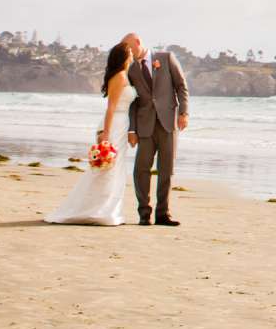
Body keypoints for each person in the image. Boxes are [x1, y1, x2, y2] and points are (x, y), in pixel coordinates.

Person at [43, 40, 132, 226]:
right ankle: (95, 210)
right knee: (106, 169)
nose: (132, 55)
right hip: (114, 125)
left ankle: (108, 210)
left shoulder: (124, 75)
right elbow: (111, 108)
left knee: (115, 169)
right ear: (124, 57)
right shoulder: (120, 77)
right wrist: (106, 134)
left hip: (122, 125)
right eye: (129, 52)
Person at [123, 31, 190, 226]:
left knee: (166, 169)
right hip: (145, 125)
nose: (128, 52)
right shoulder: (131, 69)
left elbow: (181, 86)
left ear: (137, 42)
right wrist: (132, 129)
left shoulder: (166, 58)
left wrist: (184, 113)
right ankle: (144, 213)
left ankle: (163, 214)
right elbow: (133, 102)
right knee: (141, 170)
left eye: (129, 47)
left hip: (168, 123)